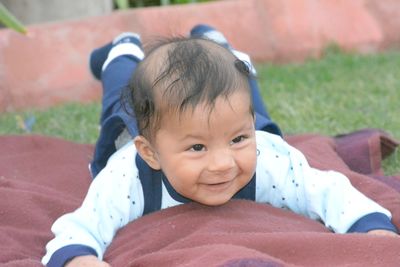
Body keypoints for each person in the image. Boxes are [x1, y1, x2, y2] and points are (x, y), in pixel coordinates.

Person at [42, 24, 398, 267]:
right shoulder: (126, 180)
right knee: (122, 102)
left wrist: (373, 232)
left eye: (238, 140)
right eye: (197, 148)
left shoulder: (268, 159)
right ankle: (121, 51)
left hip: (231, 116)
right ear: (150, 152)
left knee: (252, 108)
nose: (224, 163)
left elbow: (329, 192)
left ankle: (220, 47)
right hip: (139, 117)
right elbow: (77, 231)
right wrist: (82, 259)